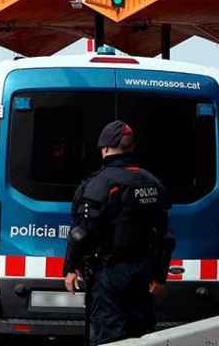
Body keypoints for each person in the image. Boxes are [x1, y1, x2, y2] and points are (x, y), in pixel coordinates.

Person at [64, 121, 175, 345]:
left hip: (109, 276)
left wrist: (71, 268)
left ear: (104, 149)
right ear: (131, 148)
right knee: (141, 335)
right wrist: (159, 276)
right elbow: (165, 236)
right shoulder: (152, 183)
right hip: (143, 275)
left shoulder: (99, 184)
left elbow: (81, 235)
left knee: (109, 335)